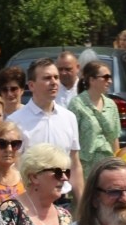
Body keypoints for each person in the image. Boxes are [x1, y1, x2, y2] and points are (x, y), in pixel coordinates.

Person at [8, 58, 85, 192]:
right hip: (31, 198)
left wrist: (80, 203)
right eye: (47, 78)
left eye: (56, 77)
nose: (54, 82)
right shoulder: (14, 121)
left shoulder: (69, 118)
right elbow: (14, 166)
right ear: (31, 85)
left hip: (63, 199)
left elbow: (75, 163)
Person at [69, 60, 121, 179]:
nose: (110, 81)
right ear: (91, 80)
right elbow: (70, 140)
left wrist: (117, 163)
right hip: (85, 168)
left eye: (110, 77)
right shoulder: (76, 104)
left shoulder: (111, 105)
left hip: (108, 166)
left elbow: (115, 138)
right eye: (106, 77)